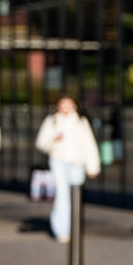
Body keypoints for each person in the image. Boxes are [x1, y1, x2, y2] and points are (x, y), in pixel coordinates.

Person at [34, 95, 102, 243]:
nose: (65, 107)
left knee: (75, 197)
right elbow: (41, 143)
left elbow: (90, 145)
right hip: (58, 162)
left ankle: (74, 228)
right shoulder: (51, 121)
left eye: (69, 104)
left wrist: (93, 166)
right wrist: (53, 139)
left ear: (74, 106)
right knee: (62, 196)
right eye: (62, 104)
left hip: (77, 164)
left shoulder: (81, 122)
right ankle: (62, 231)